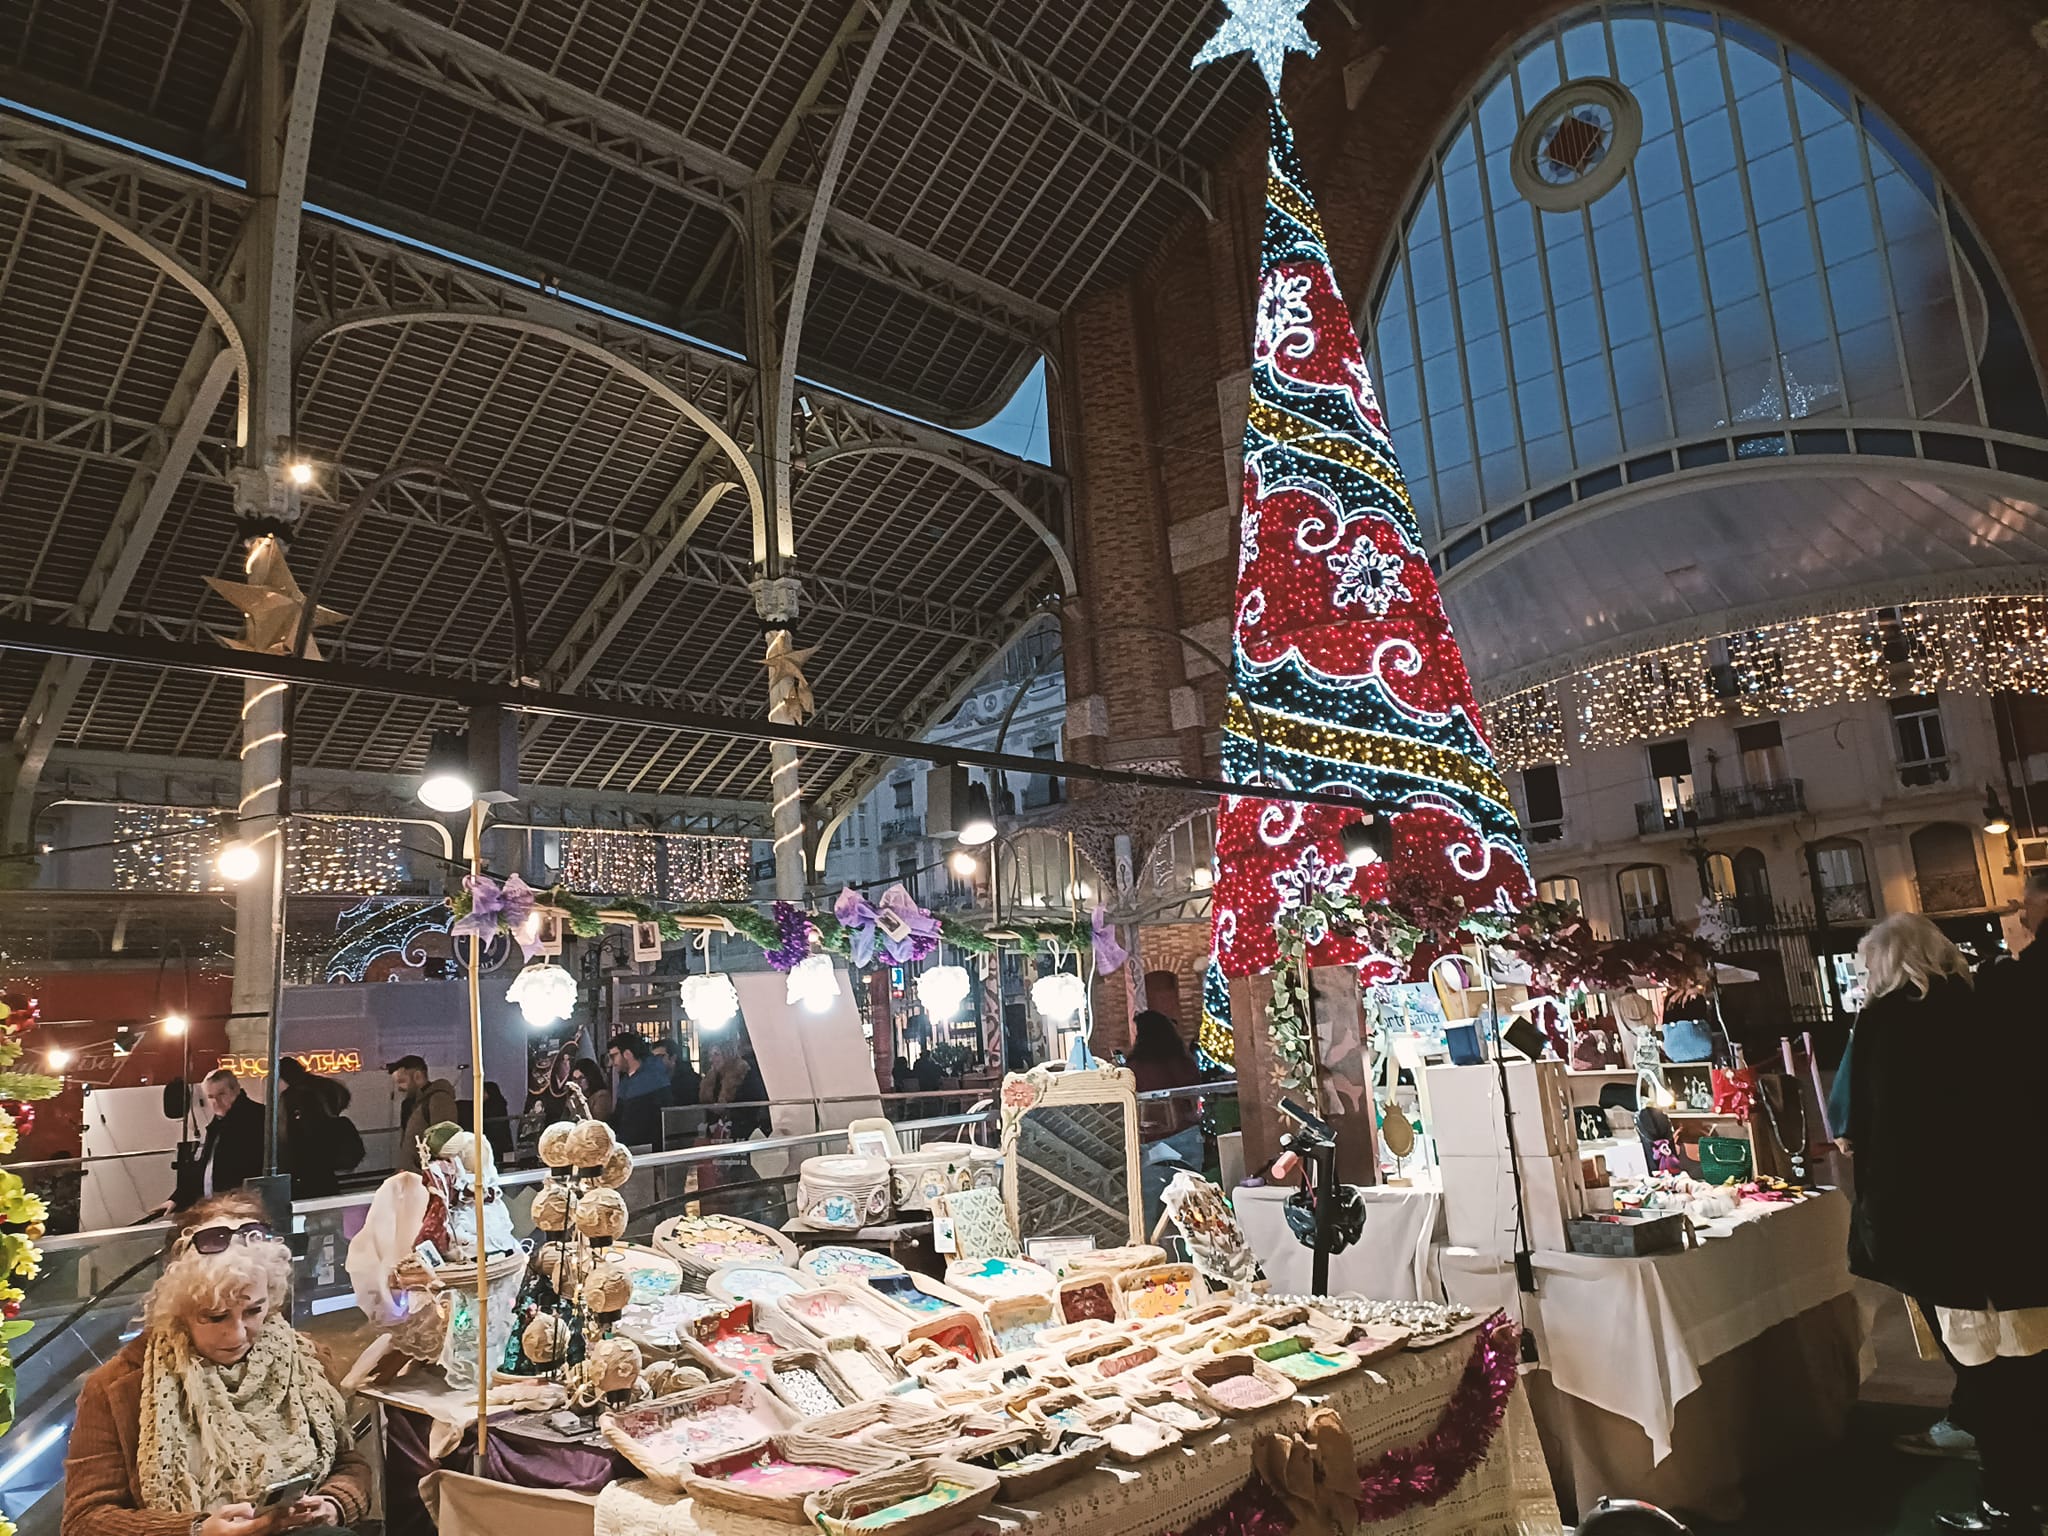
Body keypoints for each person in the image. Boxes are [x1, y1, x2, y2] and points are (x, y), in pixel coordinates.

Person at [1848, 914, 2048, 1531]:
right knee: (2029, 1360)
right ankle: (2026, 1489)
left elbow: (1876, 1133)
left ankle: (2006, 1498)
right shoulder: (1990, 1004)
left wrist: (1877, 1224)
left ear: (1882, 966)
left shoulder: (1884, 1021)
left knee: (1981, 1370)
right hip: (2016, 1217)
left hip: (1942, 1226)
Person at [62, 1192, 372, 1536]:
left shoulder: (307, 1361)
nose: (236, 1334)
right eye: (215, 1316)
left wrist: (334, 1504)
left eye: (254, 1310)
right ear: (179, 1308)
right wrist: (195, 1530)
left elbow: (348, 1463)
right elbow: (84, 1521)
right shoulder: (118, 1385)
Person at [173, 1070, 265, 1210]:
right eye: (211, 1097)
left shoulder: (255, 1118)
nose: (216, 1102)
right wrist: (176, 1199)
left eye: (221, 1094)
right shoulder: (218, 1123)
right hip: (219, 1206)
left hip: (238, 1207)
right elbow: (205, 1167)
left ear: (236, 1090)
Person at [275, 1058, 355, 1201]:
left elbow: (284, 1133)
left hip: (302, 1160)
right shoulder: (325, 1086)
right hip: (325, 1156)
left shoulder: (290, 1096)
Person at [386, 1056, 456, 1173]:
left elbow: (445, 1145)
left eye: (402, 1081)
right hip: (414, 1176)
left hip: (425, 1177)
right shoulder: (410, 1104)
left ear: (417, 1076)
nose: (399, 1088)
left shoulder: (439, 1099)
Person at [606, 1032, 671, 1148]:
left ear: (627, 1054)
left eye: (613, 1056)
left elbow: (634, 1128)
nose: (611, 1063)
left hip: (646, 1150)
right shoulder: (628, 1081)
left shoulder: (650, 1080)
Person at [480, 1082, 514, 1166]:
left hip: (496, 1142)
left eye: (483, 1092)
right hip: (503, 1143)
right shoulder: (500, 1104)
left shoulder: (493, 1107)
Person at [573, 1057, 613, 1121]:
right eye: (575, 1079)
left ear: (590, 1077)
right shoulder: (574, 1096)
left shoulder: (602, 1096)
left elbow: (597, 1122)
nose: (577, 1082)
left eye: (581, 1078)